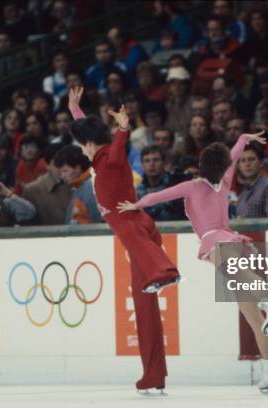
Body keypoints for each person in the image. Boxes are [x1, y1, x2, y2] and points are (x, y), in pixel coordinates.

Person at [117, 131, 268, 391]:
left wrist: (135, 205)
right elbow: (234, 157)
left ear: (202, 166)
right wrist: (243, 138)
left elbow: (159, 196)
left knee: (243, 282)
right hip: (234, 240)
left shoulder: (193, 186)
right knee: (253, 318)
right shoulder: (225, 180)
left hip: (216, 241)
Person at [68, 86, 181, 392]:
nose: (80, 151)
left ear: (90, 144)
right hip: (133, 232)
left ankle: (166, 272)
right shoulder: (99, 155)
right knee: (145, 310)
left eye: (81, 145)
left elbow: (115, 148)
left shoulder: (109, 158)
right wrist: (75, 110)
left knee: (150, 278)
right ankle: (153, 375)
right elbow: (92, 136)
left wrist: (123, 127)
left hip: (134, 229)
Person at [54, 145, 102, 224]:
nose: (62, 176)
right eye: (61, 172)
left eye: (65, 171)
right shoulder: (79, 188)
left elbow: (98, 222)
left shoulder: (90, 188)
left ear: (77, 168)